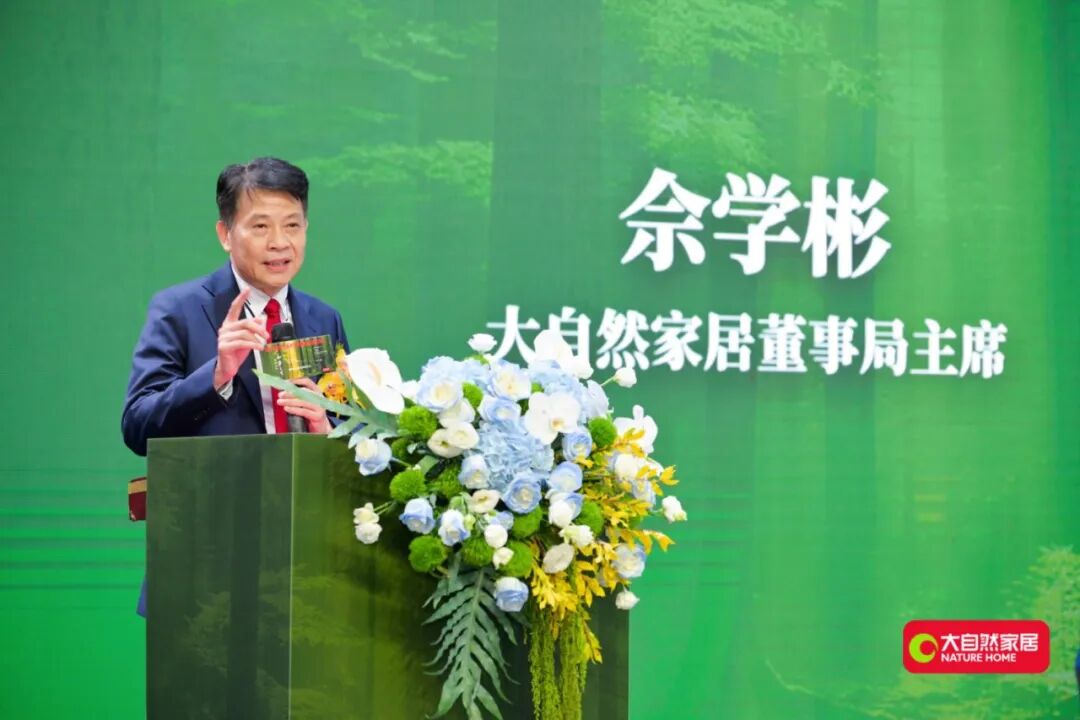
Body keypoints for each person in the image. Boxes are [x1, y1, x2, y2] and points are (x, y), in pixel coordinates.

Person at [122, 157, 348, 457]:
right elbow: (138, 427)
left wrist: (326, 427)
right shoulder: (179, 310)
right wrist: (217, 376)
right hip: (218, 485)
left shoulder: (324, 318)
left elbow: (352, 424)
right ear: (225, 235)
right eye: (261, 226)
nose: (279, 242)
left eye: (292, 225)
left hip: (305, 485)